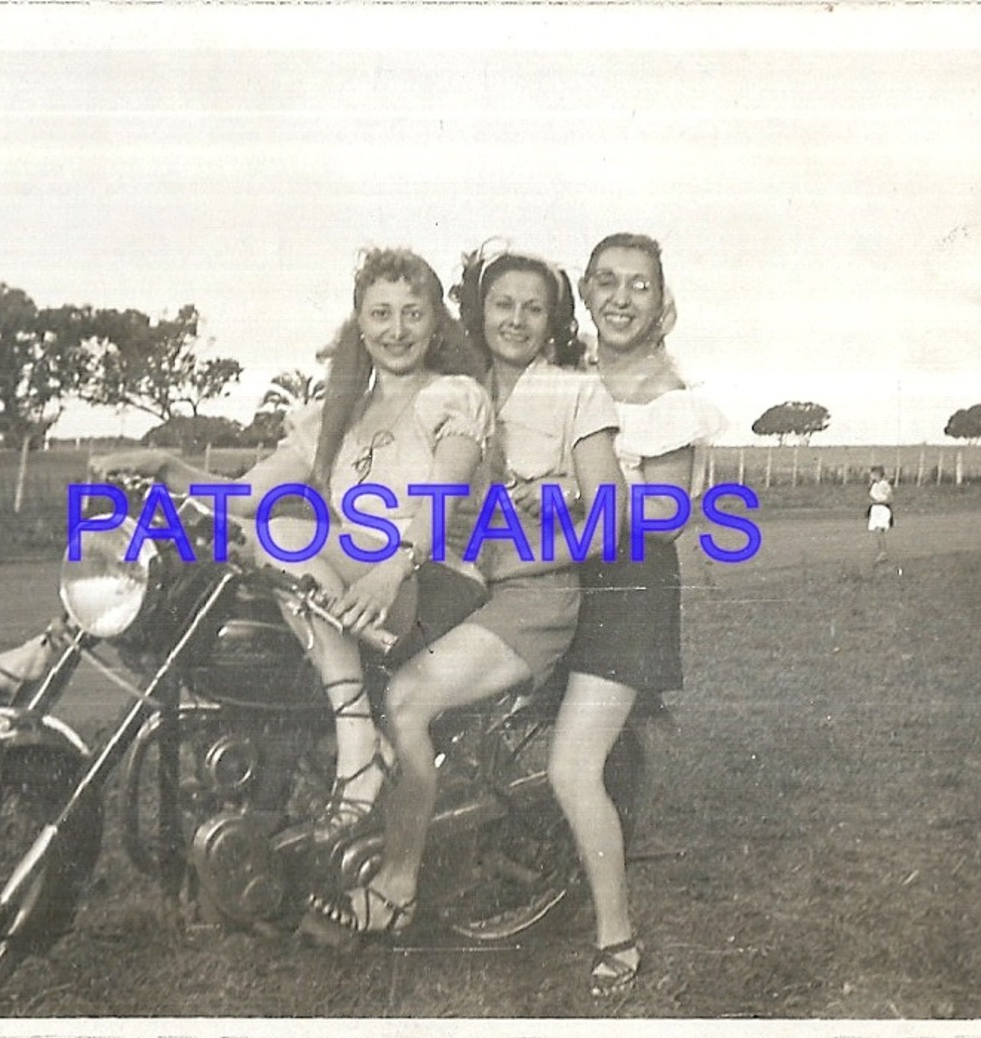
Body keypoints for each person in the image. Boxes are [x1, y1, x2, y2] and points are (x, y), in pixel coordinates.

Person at [0, 248, 494, 839]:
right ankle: (42, 650)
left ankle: (357, 739)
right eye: (381, 314)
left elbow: (438, 504)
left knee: (272, 535)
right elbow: (243, 497)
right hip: (347, 578)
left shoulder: (453, 397)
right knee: (171, 535)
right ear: (359, 322)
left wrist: (389, 571)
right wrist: (168, 467)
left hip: (422, 582)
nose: (396, 331)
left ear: (436, 322)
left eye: (412, 314)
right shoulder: (338, 410)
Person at [304, 244, 627, 951]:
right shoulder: (453, 383)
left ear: (554, 320)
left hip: (528, 599)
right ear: (476, 312)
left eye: (534, 307)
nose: (516, 318)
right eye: (502, 303)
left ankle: (395, 888)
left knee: (408, 699)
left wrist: (518, 556)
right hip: (453, 583)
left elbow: (611, 519)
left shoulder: (575, 391)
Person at [549, 232, 726, 996]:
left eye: (639, 285)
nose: (621, 298)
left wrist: (560, 507)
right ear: (585, 294)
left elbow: (658, 516)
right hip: (548, 573)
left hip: (625, 587)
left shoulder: (668, 398)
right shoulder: (561, 378)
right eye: (608, 282)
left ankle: (614, 933)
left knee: (570, 763)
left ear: (663, 302)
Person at [867, 465, 894, 565]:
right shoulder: (874, 485)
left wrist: (878, 502)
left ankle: (883, 553)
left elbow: (890, 499)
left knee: (879, 531)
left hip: (882, 510)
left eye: (873, 474)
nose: (871, 476)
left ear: (877, 474)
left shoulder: (884, 484)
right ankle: (882, 552)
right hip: (875, 510)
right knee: (877, 532)